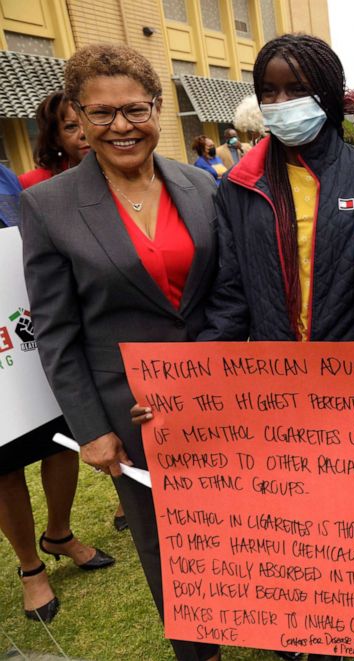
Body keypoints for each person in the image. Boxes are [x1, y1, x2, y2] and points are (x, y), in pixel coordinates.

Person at [129, 33, 354, 661]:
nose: (282, 104)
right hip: (279, 390)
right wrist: (187, 390)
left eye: (297, 90)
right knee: (294, 524)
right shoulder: (239, 185)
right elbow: (230, 298)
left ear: (328, 95)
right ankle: (298, 638)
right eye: (269, 92)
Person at [20, 43, 219, 661]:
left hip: (219, 396)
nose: (121, 127)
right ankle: (200, 649)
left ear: (157, 108)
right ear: (77, 116)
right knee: (166, 539)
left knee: (236, 516)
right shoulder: (49, 206)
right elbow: (54, 331)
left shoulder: (200, 184)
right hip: (132, 413)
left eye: (134, 110)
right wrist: (91, 431)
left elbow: (225, 292)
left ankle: (263, 619)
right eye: (100, 114)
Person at [1, 163, 115, 627]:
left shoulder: (6, 176)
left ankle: (60, 533)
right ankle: (31, 566)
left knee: (62, 438)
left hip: (28, 329)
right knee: (5, 461)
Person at [18, 91, 129, 534]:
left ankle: (126, 499)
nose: (85, 133)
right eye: (73, 125)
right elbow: (50, 312)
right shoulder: (37, 193)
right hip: (76, 352)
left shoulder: (157, 183)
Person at [18, 90, 90, 188]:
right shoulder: (32, 184)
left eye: (89, 123)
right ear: (56, 138)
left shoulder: (117, 174)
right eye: (71, 127)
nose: (83, 133)